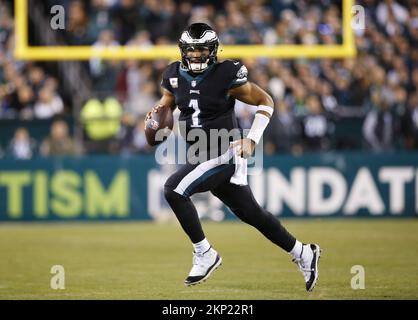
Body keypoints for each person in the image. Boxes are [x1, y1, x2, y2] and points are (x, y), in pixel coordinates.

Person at [144, 23, 321, 291]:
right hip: (199, 153)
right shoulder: (172, 75)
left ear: (213, 50)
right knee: (252, 214)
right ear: (182, 51)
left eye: (202, 49)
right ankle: (303, 252)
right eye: (191, 51)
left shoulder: (226, 74)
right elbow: (166, 102)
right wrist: (155, 117)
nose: (196, 56)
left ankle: (205, 253)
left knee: (173, 189)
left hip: (223, 151)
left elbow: (266, 101)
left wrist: (252, 139)